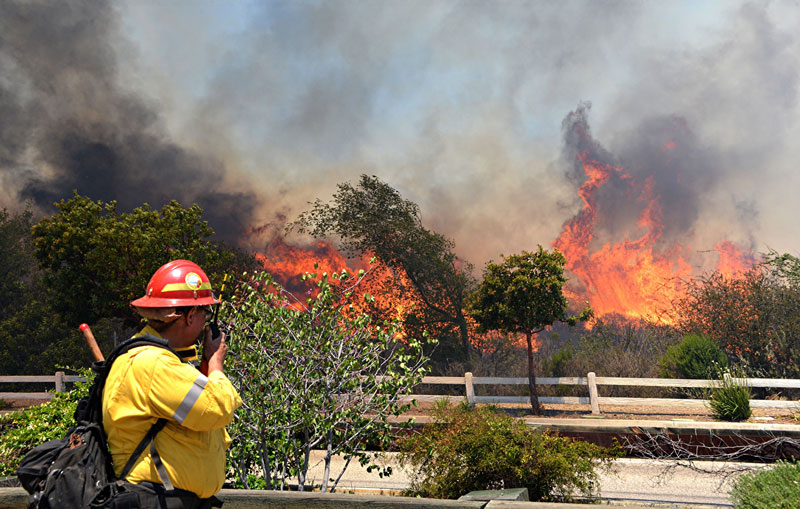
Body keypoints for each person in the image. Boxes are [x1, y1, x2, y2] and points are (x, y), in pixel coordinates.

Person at [102, 259, 242, 508]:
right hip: (157, 500)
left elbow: (195, 415)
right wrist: (216, 364)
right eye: (204, 313)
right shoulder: (156, 365)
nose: (205, 323)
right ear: (189, 316)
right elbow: (217, 408)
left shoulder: (148, 357)